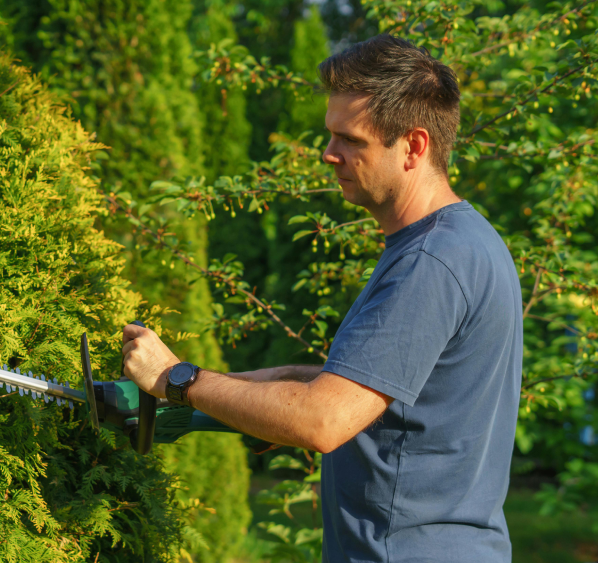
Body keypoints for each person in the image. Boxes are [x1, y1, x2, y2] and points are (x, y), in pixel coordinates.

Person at [121, 34, 523, 563]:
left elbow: (323, 419)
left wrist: (177, 379)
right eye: (330, 134)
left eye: (350, 139)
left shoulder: (431, 263)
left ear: (413, 146)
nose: (328, 154)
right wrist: (225, 399)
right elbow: (369, 389)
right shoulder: (465, 242)